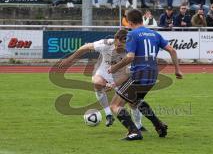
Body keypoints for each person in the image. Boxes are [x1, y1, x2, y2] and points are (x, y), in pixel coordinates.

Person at [108, 9, 183, 141]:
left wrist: (115, 67)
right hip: (153, 75)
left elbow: (130, 57)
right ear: (142, 20)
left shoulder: (132, 35)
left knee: (115, 105)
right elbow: (172, 50)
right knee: (136, 101)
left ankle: (134, 131)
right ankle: (159, 125)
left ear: (130, 22)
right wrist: (177, 70)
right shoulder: (154, 34)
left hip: (139, 75)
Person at [58, 29, 146, 130]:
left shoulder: (131, 51)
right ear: (115, 40)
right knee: (97, 83)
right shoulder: (105, 44)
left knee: (133, 102)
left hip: (120, 75)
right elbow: (85, 47)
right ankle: (108, 114)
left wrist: (113, 84)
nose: (118, 48)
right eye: (117, 45)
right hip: (103, 72)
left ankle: (139, 125)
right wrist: (70, 59)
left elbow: (128, 73)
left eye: (122, 45)